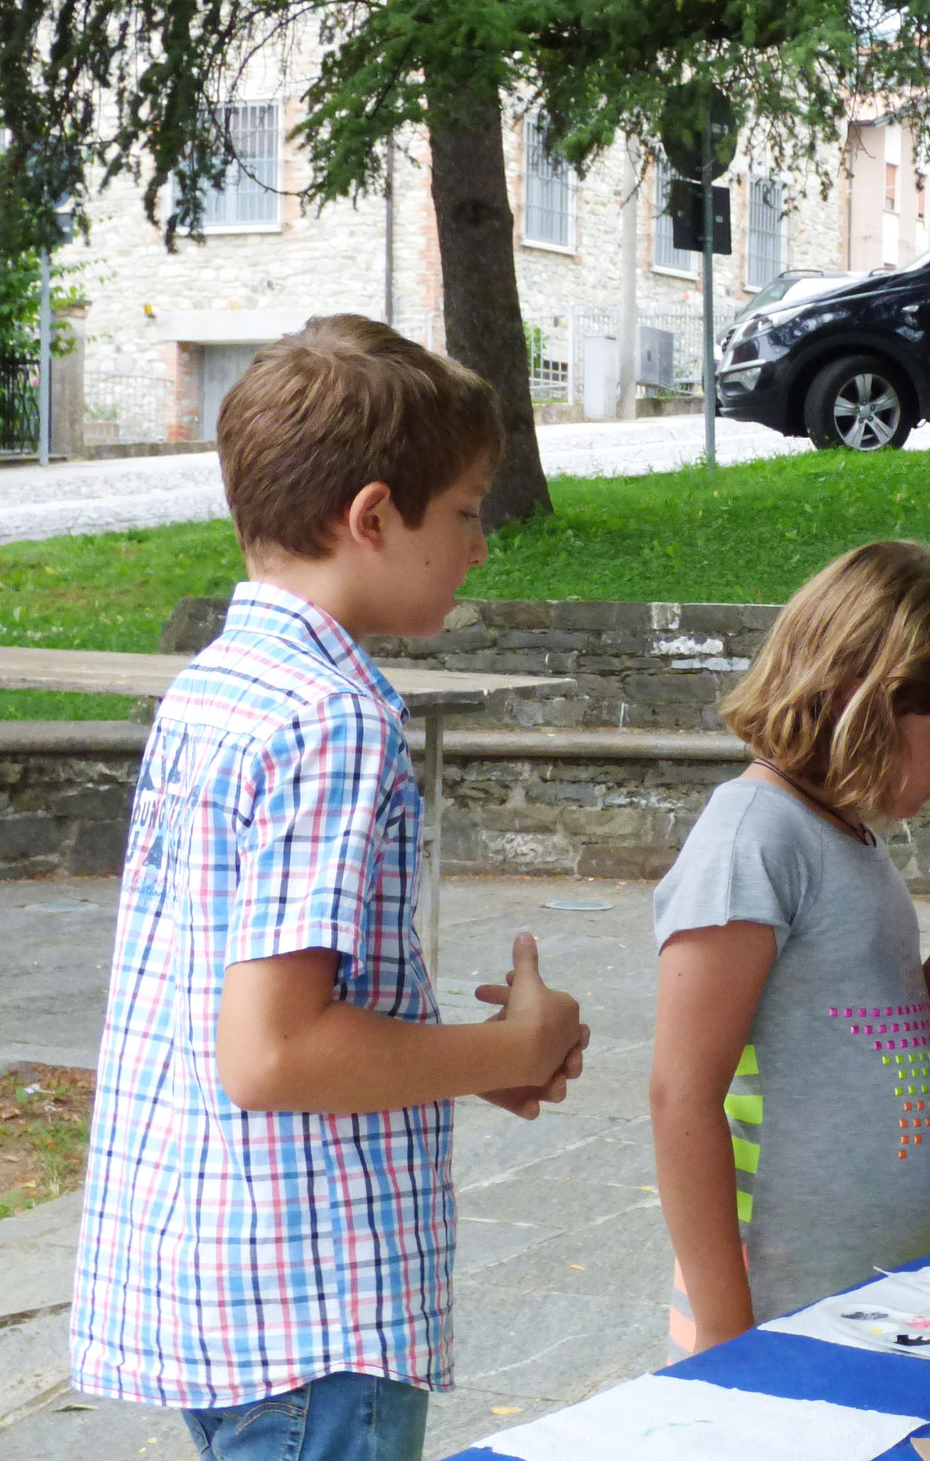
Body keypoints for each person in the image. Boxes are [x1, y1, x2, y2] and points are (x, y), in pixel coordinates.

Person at [71, 316, 590, 1461]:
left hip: (211, 1269)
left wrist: (440, 1063)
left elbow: (243, 1020)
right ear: (370, 517)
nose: (479, 544)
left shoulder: (218, 686)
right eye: (462, 511)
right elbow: (274, 1055)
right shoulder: (331, 719)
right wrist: (505, 1052)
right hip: (311, 1307)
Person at [650, 541, 930, 1355]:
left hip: (860, 1296)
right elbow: (682, 1093)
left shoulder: (846, 835)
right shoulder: (753, 839)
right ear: (858, 700)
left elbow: (825, 1037)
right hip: (772, 1309)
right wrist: (723, 1329)